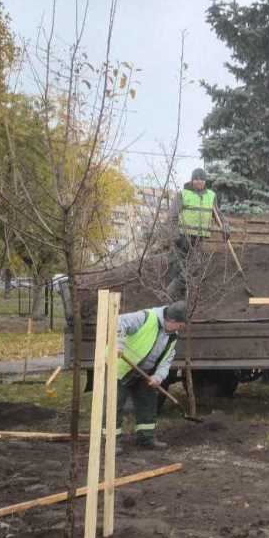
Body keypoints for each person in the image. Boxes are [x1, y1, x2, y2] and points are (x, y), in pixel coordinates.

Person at [115, 300, 187, 450]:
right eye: (180, 325)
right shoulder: (146, 317)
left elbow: (166, 360)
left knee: (148, 403)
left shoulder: (172, 336)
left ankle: (146, 439)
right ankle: (112, 443)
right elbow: (118, 321)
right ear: (172, 320)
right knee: (114, 405)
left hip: (145, 372)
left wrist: (158, 377)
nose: (181, 329)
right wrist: (118, 344)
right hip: (120, 368)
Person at [167, 168, 230, 298]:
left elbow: (217, 214)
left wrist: (225, 226)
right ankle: (173, 296)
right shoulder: (183, 194)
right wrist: (174, 234)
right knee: (177, 266)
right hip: (183, 237)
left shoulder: (211, 196)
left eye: (201, 179)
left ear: (205, 181)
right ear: (192, 180)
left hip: (199, 238)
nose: (199, 182)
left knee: (195, 265)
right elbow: (172, 216)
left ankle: (178, 291)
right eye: (196, 179)